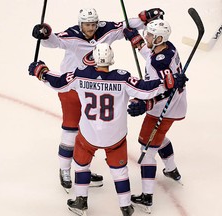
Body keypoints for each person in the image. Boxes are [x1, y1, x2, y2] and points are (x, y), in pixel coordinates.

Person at [28, 43, 188, 216]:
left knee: (81, 166)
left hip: (88, 136)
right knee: (120, 172)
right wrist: (168, 82)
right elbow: (146, 89)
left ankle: (80, 202)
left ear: (93, 59)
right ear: (111, 59)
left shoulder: (80, 76)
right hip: (115, 137)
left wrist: (41, 71)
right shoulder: (123, 78)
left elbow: (58, 82)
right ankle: (125, 206)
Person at [32, 7, 165, 192]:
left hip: (95, 88)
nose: (91, 28)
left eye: (93, 24)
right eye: (87, 24)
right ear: (80, 24)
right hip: (72, 87)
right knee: (71, 128)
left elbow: (125, 25)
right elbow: (54, 41)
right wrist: (45, 32)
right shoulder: (72, 35)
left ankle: (82, 169)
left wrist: (144, 18)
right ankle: (64, 170)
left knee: (92, 131)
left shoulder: (104, 30)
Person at [123, 19, 188, 213]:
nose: (146, 37)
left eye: (149, 36)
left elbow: (165, 91)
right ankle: (171, 170)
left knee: (147, 148)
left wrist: (145, 103)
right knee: (158, 138)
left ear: (159, 38)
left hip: (164, 109)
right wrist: (137, 41)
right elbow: (152, 57)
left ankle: (147, 197)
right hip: (177, 105)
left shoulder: (162, 64)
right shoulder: (167, 48)